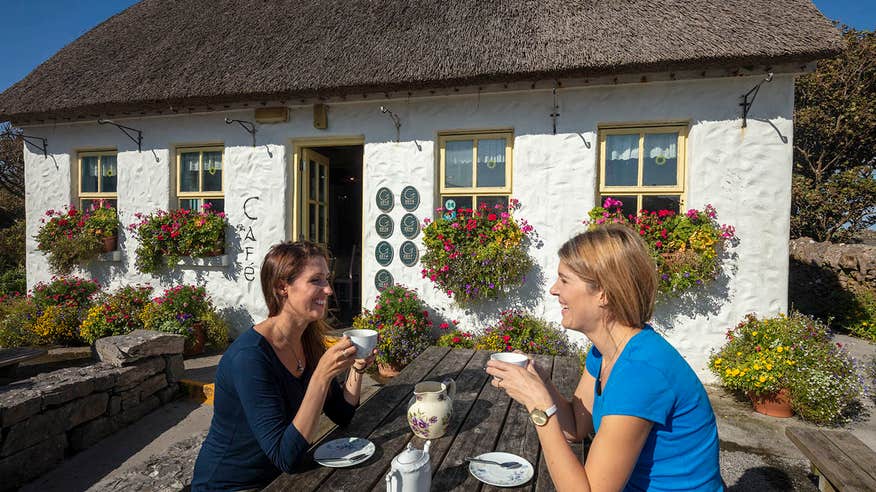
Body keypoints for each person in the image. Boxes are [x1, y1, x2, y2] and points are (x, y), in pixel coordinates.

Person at [486, 224, 722, 491]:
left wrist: (538, 405)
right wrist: (541, 380)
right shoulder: (606, 350)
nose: (553, 290)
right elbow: (575, 427)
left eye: (564, 280)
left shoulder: (641, 372)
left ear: (604, 293)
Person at [192, 241, 375, 491]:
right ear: (282, 287)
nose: (329, 290)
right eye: (316, 280)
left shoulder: (307, 340)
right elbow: (285, 457)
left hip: (280, 478)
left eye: (327, 279)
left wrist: (358, 367)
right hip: (232, 485)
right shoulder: (250, 358)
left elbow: (342, 414)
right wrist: (320, 377)